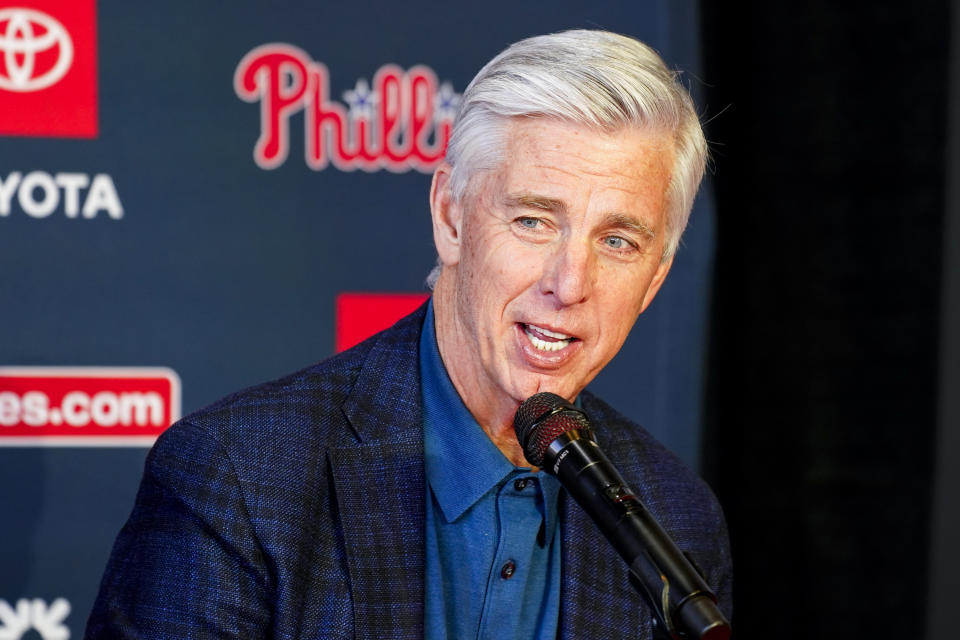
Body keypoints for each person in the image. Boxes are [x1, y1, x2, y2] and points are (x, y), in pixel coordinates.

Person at [85, 29, 732, 640]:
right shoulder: (239, 476)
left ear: (653, 281)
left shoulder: (675, 515)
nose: (569, 283)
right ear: (450, 217)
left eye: (617, 241)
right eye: (535, 220)